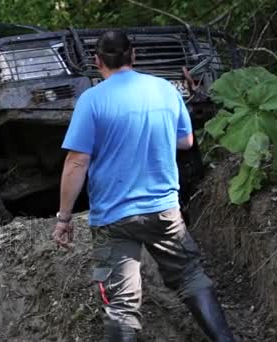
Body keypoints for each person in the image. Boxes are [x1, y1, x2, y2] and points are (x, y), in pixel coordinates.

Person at [52, 30, 235, 341]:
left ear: (97, 62)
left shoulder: (91, 101)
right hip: (164, 210)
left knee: (122, 305)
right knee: (191, 276)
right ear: (133, 56)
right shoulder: (164, 89)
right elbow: (186, 141)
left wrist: (64, 218)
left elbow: (77, 163)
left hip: (114, 219)